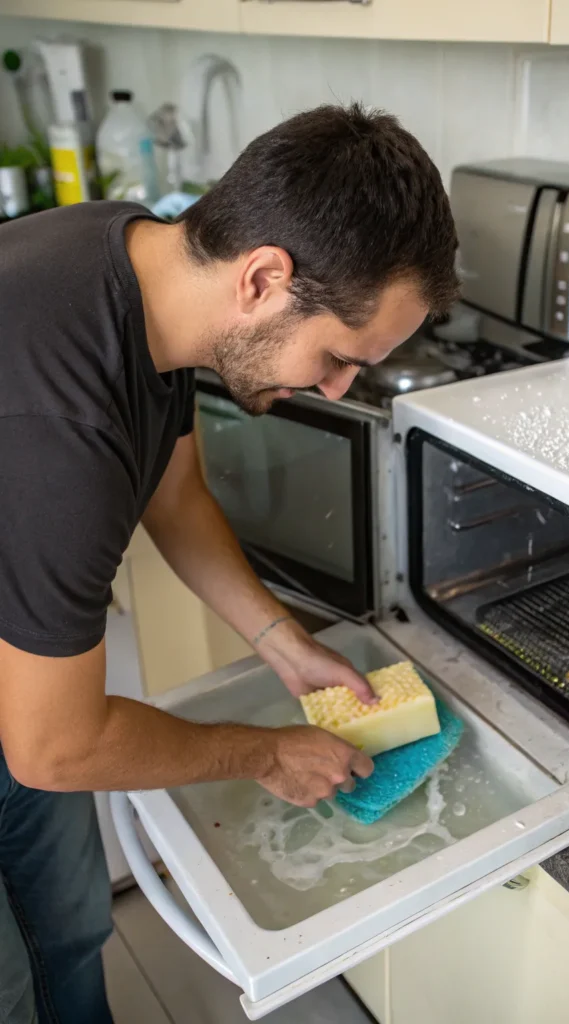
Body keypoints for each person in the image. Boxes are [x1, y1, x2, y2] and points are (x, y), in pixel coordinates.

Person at [0, 102, 458, 1023]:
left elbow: (176, 498)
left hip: (19, 669)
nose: (334, 388)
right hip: (31, 708)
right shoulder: (65, 427)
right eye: (336, 356)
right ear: (263, 278)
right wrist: (264, 754)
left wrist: (283, 645)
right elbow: (54, 745)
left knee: (66, 929)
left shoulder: (137, 262)